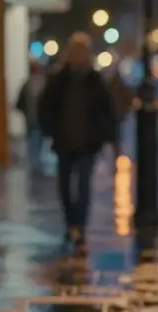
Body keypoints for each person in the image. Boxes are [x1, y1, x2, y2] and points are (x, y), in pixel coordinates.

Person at [37, 33, 116, 246]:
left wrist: (102, 134)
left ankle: (79, 225)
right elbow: (45, 108)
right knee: (64, 186)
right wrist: (52, 130)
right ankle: (70, 222)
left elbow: (106, 110)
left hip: (87, 144)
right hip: (64, 142)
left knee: (83, 185)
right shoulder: (59, 79)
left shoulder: (95, 80)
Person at [15, 60, 48, 172]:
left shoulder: (29, 84)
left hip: (34, 117)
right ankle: (35, 162)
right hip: (35, 118)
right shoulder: (42, 84)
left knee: (34, 140)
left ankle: (35, 162)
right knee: (36, 141)